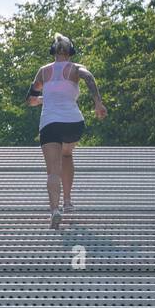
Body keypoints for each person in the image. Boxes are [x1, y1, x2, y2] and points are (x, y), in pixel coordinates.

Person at [26, 34, 107, 228]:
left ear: (52, 51)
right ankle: (68, 201)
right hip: (73, 123)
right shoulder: (75, 68)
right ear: (71, 52)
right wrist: (98, 103)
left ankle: (55, 211)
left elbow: (30, 99)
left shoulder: (43, 72)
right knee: (67, 154)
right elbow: (88, 77)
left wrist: (42, 100)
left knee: (53, 171)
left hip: (50, 124)